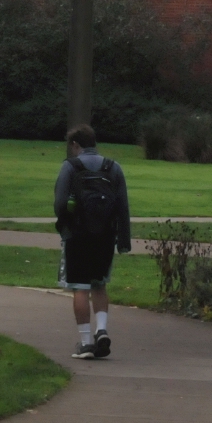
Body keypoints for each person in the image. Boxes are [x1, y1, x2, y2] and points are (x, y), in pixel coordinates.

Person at [53, 124, 130, 360]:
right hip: (105, 236)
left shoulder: (70, 167)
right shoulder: (112, 167)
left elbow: (60, 203)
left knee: (80, 287)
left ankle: (86, 342)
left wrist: (65, 225)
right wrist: (123, 240)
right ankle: (102, 329)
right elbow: (122, 206)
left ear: (76, 144)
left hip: (77, 235)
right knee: (99, 284)